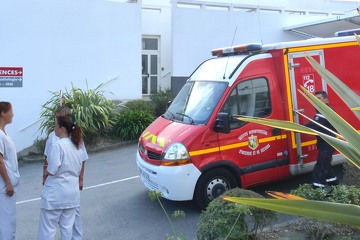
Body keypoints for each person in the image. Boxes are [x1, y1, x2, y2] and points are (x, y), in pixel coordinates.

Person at [42, 106, 88, 240]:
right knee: (67, 228)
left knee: (49, 229)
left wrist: (46, 171)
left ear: (62, 126)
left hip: (58, 191)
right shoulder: (73, 143)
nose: (54, 123)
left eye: (56, 121)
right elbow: (79, 163)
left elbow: (52, 169)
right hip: (70, 192)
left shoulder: (61, 144)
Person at [305, 90, 339, 189]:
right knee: (326, 165)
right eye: (315, 99)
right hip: (328, 144)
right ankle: (335, 185)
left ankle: (317, 189)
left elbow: (312, 126)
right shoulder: (326, 111)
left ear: (326, 100)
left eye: (319, 99)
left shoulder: (322, 115)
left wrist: (293, 128)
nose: (317, 100)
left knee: (320, 167)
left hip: (326, 145)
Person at [0, 102, 20, 240]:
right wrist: (7, 183)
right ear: (3, 113)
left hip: (8, 187)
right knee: (7, 225)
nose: (12, 114)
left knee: (8, 223)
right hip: (4, 188)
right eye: (11, 111)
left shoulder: (4, 133)